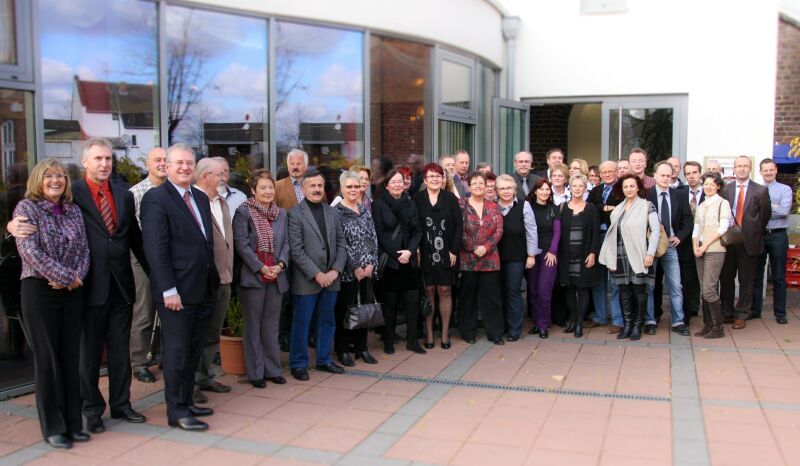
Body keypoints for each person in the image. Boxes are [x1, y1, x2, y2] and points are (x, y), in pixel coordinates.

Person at [69, 138, 148, 432]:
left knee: (119, 351)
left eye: (108, 159)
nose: (104, 164)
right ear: (85, 162)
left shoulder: (123, 194)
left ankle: (121, 405)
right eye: (98, 159)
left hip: (121, 285)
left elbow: (133, 239)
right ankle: (91, 409)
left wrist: (159, 276)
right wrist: (16, 225)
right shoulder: (72, 192)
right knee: (88, 355)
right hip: (88, 285)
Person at [141, 143, 219, 431]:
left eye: (189, 163)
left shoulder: (199, 196)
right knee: (175, 353)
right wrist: (168, 289)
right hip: (176, 292)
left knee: (193, 351)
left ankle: (187, 400)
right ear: (167, 167)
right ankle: (176, 411)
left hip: (203, 288)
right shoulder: (156, 199)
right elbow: (156, 249)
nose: (185, 167)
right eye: (179, 163)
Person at [14, 159, 90, 448]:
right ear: (39, 180)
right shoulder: (27, 209)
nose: (55, 180)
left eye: (60, 176)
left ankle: (73, 423)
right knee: (47, 360)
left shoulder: (73, 210)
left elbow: (84, 249)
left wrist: (74, 279)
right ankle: (53, 427)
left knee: (70, 357)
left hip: (72, 290)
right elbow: (29, 252)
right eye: (49, 176)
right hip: (39, 290)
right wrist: (63, 276)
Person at [287, 170, 347, 379]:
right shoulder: (294, 214)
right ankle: (298, 364)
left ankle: (324, 359)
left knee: (327, 321)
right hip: (307, 280)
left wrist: (335, 270)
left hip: (331, 278)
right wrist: (317, 274)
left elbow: (342, 244)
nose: (316, 189)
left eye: (319, 186)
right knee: (302, 323)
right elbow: (296, 250)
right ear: (303, 189)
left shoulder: (332, 212)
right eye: (312, 186)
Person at [233, 169, 289, 388]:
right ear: (253, 190)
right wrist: (261, 268)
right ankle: (256, 372)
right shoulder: (243, 212)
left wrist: (280, 265)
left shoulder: (281, 213)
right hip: (253, 276)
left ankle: (273, 369)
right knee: (253, 326)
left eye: (270, 187)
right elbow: (242, 245)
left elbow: (286, 243)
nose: (267, 191)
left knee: (271, 325)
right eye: (263, 187)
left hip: (276, 274)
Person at [599, 174, 660, 340]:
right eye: (625, 187)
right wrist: (610, 258)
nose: (628, 189)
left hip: (640, 254)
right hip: (620, 255)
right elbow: (612, 235)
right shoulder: (618, 209)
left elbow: (655, 231)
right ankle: (626, 324)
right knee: (624, 292)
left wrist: (650, 254)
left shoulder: (647, 206)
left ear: (638, 187)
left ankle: (636, 325)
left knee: (639, 292)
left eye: (632, 186)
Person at [192, 158, 233, 400]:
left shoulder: (223, 202)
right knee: (196, 333)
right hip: (203, 280)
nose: (224, 178)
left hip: (224, 277)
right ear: (205, 176)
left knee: (213, 332)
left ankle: (206, 376)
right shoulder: (193, 202)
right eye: (220, 174)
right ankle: (192, 382)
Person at [372, 169, 425, 354]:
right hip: (391, 262)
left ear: (404, 184)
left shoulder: (410, 203)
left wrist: (409, 252)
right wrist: (397, 254)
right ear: (387, 185)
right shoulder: (379, 204)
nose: (397, 185)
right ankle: (388, 340)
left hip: (408, 261)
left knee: (412, 302)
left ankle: (412, 341)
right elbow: (379, 233)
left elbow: (418, 230)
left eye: (400, 182)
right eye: (393, 182)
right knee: (390, 304)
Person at [333, 171, 380, 366]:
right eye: (349, 187)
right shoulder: (336, 212)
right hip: (348, 272)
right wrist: (355, 267)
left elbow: (373, 238)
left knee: (365, 311)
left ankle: (362, 349)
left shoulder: (364, 209)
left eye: (356, 186)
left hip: (368, 269)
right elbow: (341, 243)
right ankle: (343, 350)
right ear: (342, 189)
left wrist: (370, 264)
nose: (353, 190)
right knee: (346, 310)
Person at [413, 163, 462, 350]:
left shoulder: (450, 198)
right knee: (429, 292)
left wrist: (454, 251)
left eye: (438, 176)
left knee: (445, 291)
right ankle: (429, 334)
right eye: (431, 176)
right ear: (425, 180)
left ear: (443, 179)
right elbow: (413, 226)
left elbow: (459, 225)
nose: (435, 179)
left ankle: (444, 333)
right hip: (425, 253)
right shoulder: (416, 199)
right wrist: (416, 250)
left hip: (446, 253)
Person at [128, 147, 166, 384]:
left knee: (169, 311)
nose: (162, 164)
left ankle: (164, 356)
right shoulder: (135, 193)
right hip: (142, 260)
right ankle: (139, 363)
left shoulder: (175, 191)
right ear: (148, 165)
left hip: (169, 260)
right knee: (144, 312)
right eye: (157, 160)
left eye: (165, 160)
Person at [720, 156, 771, 329]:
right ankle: (726, 312)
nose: (742, 169)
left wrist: (751, 229)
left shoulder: (760, 190)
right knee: (726, 278)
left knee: (746, 279)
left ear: (750, 169)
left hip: (749, 240)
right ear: (733, 169)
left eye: (745, 166)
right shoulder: (725, 190)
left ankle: (742, 313)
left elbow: (765, 216)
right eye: (739, 166)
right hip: (729, 240)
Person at [646, 161, 692, 336]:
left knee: (675, 285)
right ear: (655, 176)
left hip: (671, 247)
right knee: (650, 285)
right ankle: (650, 320)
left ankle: (678, 321)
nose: (666, 178)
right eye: (662, 175)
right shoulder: (646, 195)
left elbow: (688, 219)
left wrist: (679, 236)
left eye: (669, 175)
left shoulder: (679, 195)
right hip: (651, 246)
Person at [458, 172, 504, 344]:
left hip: (490, 259)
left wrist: (486, 247)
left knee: (492, 297)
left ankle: (495, 333)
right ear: (468, 186)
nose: (478, 186)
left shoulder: (494, 206)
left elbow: (499, 230)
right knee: (467, 297)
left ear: (486, 186)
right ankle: (468, 332)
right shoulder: (461, 205)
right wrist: (473, 247)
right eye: (474, 183)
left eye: (481, 183)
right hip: (468, 259)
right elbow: (459, 230)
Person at [495, 175, 538, 341]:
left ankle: (514, 329)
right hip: (495, 257)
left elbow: (531, 231)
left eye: (509, 188)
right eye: (502, 188)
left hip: (516, 257)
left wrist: (531, 255)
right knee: (499, 291)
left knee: (513, 290)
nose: (506, 191)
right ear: (497, 190)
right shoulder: (492, 207)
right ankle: (502, 326)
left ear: (514, 189)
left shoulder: (524, 206)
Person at [557, 174, 600, 338]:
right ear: (569, 187)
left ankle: (580, 324)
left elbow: (595, 233)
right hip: (566, 256)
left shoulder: (591, 209)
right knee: (569, 288)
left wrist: (593, 252)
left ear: (585, 189)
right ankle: (573, 320)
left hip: (583, 255)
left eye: (580, 186)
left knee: (582, 288)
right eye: (574, 186)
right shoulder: (562, 208)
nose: (577, 189)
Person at [692, 171, 731, 339]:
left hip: (715, 249)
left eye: (711, 184)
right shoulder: (701, 206)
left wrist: (706, 244)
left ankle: (718, 327)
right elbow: (696, 228)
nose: (708, 187)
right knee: (704, 289)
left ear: (718, 186)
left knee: (709, 289)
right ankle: (708, 325)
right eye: (705, 184)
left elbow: (723, 228)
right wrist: (695, 246)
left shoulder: (723, 203)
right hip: (699, 250)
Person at [753, 158, 791, 324]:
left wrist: (764, 210)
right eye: (765, 170)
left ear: (776, 170)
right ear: (761, 171)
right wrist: (772, 207)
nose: (768, 172)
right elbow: (751, 212)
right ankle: (755, 310)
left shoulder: (785, 189)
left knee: (778, 276)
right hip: (760, 235)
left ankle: (780, 313)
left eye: (771, 169)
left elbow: (784, 211)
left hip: (778, 235)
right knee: (756, 275)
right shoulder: (756, 189)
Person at [587, 160, 624, 332]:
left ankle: (617, 320)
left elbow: (620, 210)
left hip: (615, 237)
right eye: (604, 172)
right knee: (598, 278)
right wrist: (605, 208)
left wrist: (601, 208)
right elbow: (590, 209)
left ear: (617, 172)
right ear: (600, 174)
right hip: (597, 237)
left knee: (615, 279)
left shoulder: (622, 189)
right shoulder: (596, 190)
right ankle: (600, 316)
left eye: (611, 171)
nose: (607, 174)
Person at [526, 178, 561, 338]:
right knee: (532, 291)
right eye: (541, 189)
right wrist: (529, 254)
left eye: (547, 189)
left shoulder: (554, 209)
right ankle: (536, 322)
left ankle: (543, 325)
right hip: (531, 254)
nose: (545, 192)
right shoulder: (528, 208)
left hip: (548, 255)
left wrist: (553, 251)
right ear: (535, 191)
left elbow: (557, 232)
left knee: (543, 291)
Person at [680, 161, 705, 325]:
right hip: (685, 243)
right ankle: (688, 312)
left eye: (694, 172)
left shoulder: (710, 191)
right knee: (687, 279)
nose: (691, 176)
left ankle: (707, 312)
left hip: (705, 241)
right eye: (688, 173)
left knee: (704, 278)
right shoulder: (679, 193)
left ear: (700, 173)